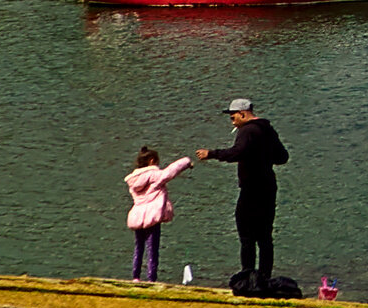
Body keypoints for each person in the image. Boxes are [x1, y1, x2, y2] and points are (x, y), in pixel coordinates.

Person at [198, 97, 288, 287]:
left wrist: (212, 154)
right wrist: (263, 157)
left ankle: (247, 277)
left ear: (242, 114)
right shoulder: (267, 129)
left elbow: (237, 152)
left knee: (246, 234)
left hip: (251, 188)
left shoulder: (247, 131)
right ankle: (264, 277)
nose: (232, 121)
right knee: (264, 236)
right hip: (268, 187)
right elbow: (282, 157)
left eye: (233, 117)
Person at [123, 147, 194, 283]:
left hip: (138, 217)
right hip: (152, 217)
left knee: (139, 248)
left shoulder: (133, 180)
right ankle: (151, 279)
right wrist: (186, 162)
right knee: (152, 250)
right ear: (152, 161)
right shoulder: (155, 175)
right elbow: (171, 172)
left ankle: (136, 277)